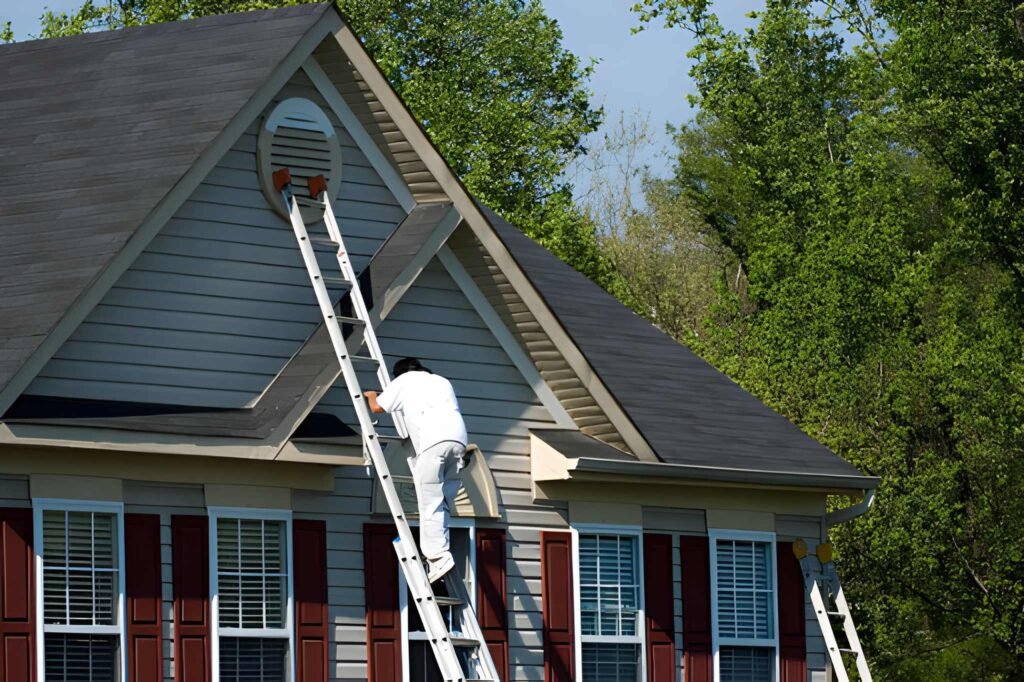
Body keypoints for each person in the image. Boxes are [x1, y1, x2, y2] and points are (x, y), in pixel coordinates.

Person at [364, 357, 468, 583]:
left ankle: (438, 557)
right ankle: (442, 551)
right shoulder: (441, 381)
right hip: (458, 442)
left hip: (433, 444)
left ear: (398, 374)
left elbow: (377, 407)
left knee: (429, 502)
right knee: (442, 504)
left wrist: (370, 394)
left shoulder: (404, 381)